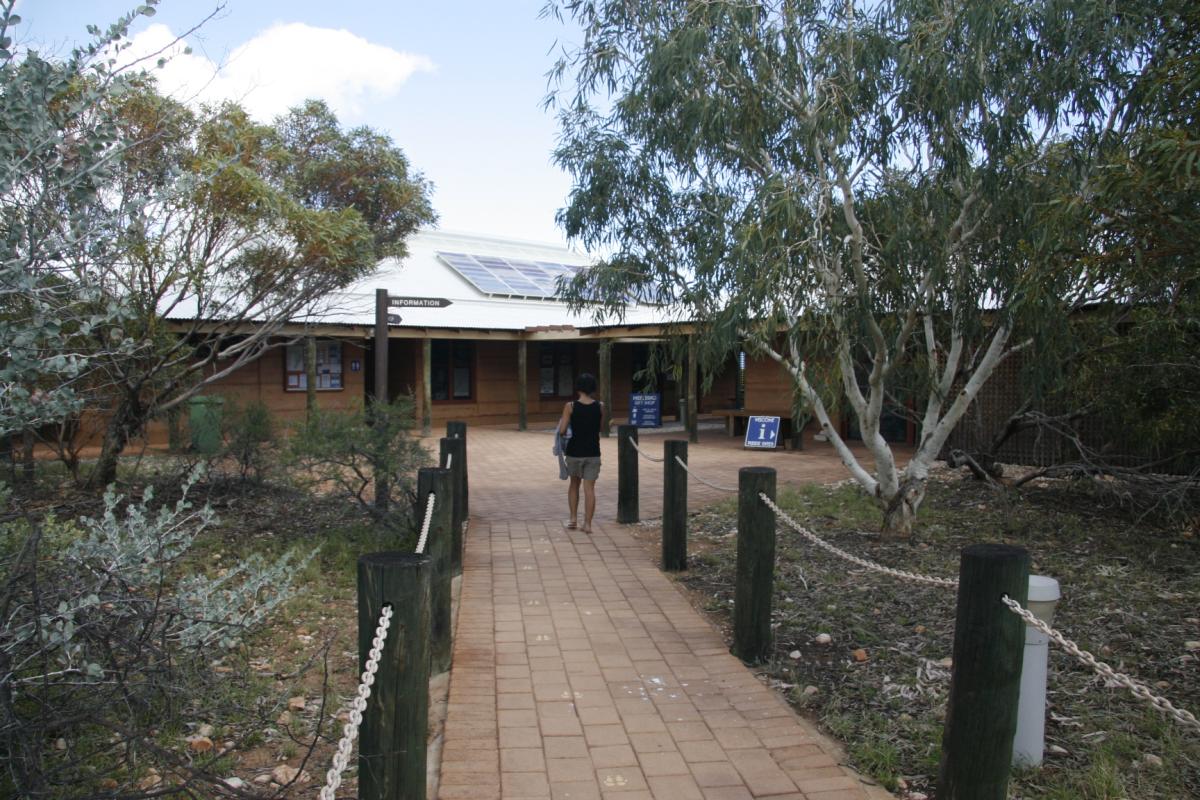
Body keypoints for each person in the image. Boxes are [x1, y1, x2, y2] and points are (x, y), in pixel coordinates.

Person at [556, 373, 603, 533]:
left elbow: (562, 430)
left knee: (574, 485)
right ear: (592, 388)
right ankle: (588, 524)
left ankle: (573, 519)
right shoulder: (600, 406)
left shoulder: (570, 406)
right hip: (593, 452)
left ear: (578, 388)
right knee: (589, 488)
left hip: (574, 452)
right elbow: (602, 428)